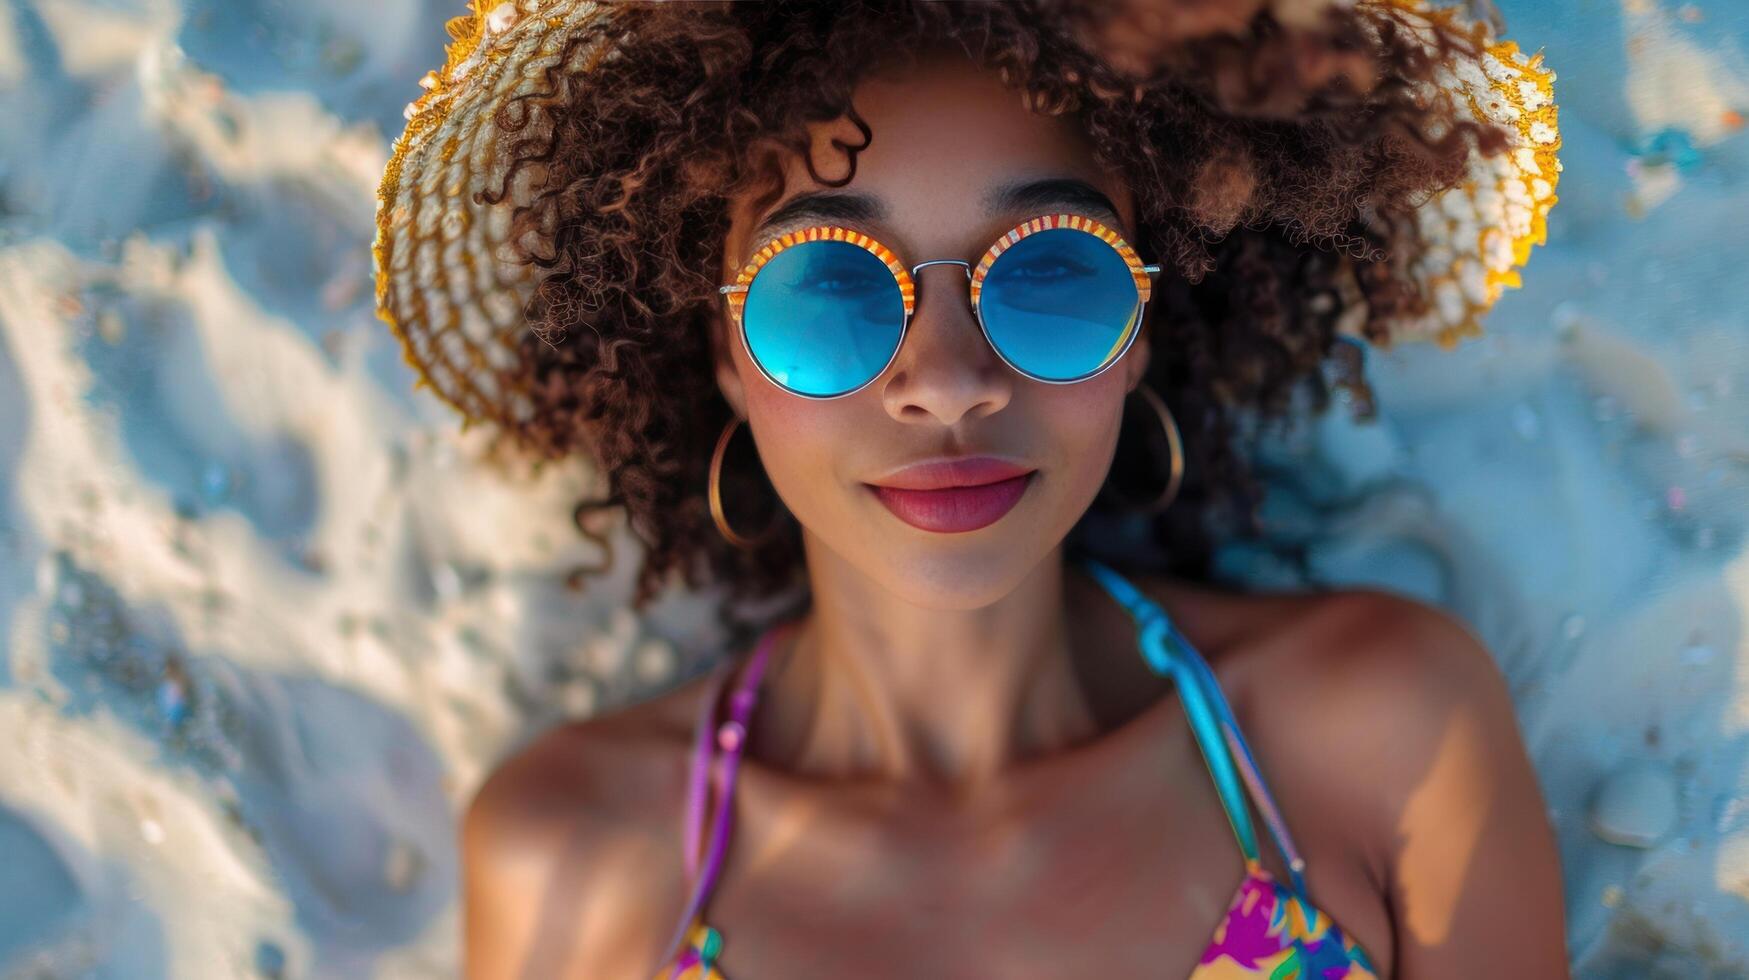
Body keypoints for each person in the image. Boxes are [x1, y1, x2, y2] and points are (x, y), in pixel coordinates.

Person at [372, 1, 1570, 976]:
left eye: (1053, 271)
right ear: (727, 356)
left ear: (1142, 327)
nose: (947, 383)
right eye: (828, 290)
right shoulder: (575, 853)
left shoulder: (1386, 730)